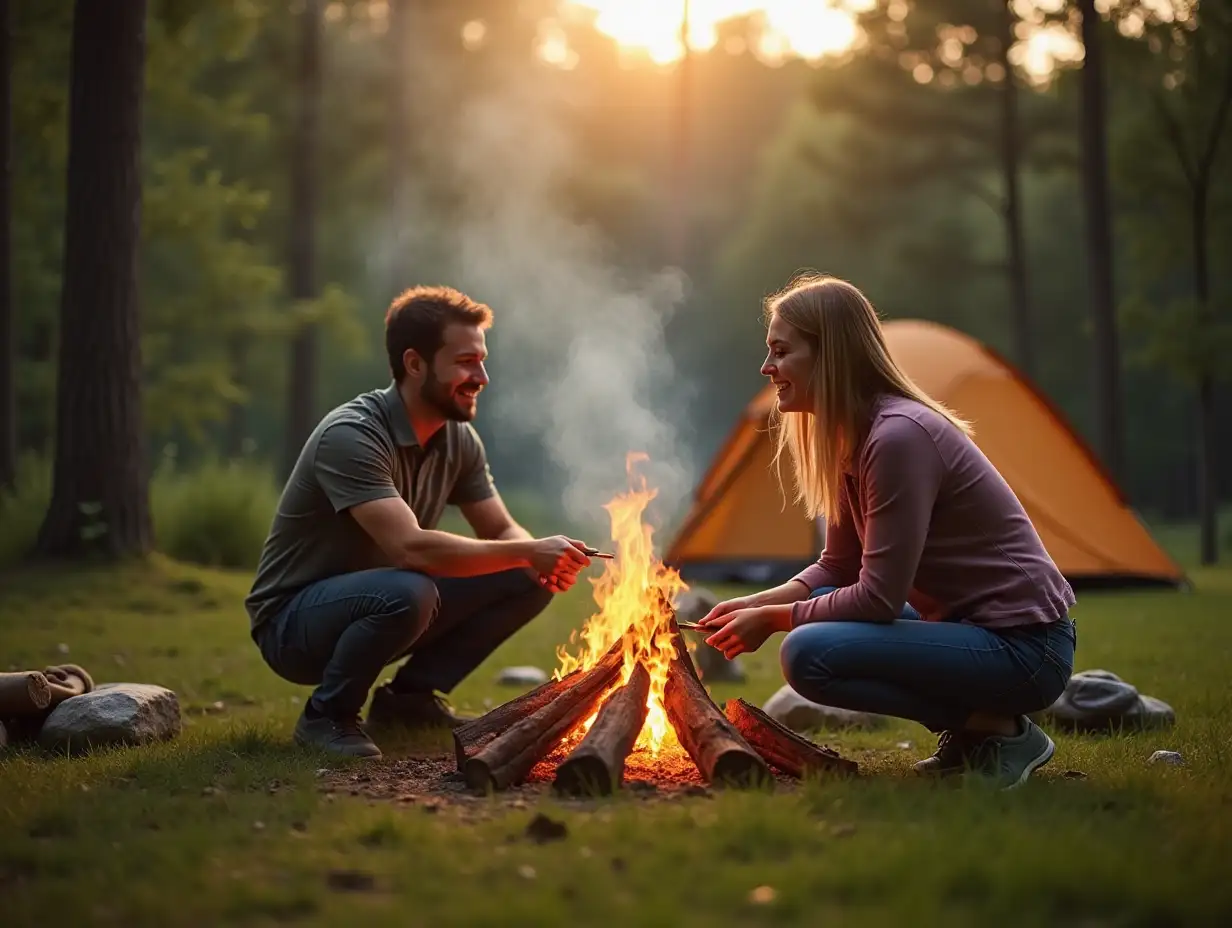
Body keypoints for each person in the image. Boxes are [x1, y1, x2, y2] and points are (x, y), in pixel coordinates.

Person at [698, 274, 1077, 789]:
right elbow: (838, 567)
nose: (768, 369)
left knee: (808, 653)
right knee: (816, 624)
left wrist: (775, 619)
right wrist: (754, 604)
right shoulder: (848, 438)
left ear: (829, 354)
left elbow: (877, 599)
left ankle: (998, 733)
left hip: (1026, 648)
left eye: (782, 352)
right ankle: (980, 735)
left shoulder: (898, 437)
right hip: (968, 629)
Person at [246, 285, 596, 759]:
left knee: (525, 575)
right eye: (466, 362)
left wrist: (539, 560)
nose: (482, 377)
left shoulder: (459, 440)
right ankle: (325, 717)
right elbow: (410, 549)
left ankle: (408, 702)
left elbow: (503, 531)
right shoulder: (351, 434)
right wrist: (528, 551)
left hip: (382, 603)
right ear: (415, 364)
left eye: (482, 360)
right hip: (294, 624)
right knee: (412, 590)